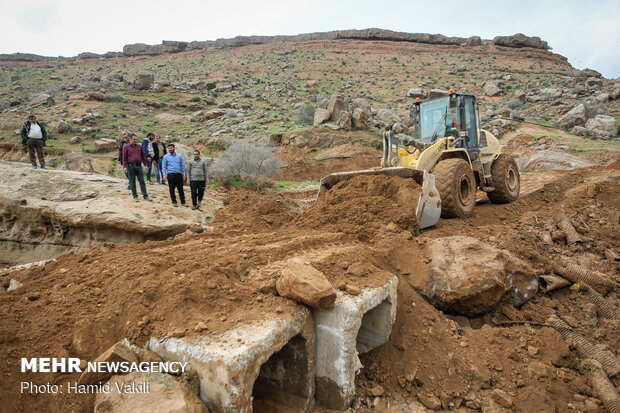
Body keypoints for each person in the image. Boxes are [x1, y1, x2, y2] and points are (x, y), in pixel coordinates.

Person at [122, 133, 151, 202]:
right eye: (134, 139)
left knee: (142, 181)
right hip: (130, 166)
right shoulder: (126, 147)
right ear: (130, 139)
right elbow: (124, 157)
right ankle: (135, 196)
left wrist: (145, 165)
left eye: (136, 139)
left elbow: (143, 156)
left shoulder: (139, 146)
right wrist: (124, 166)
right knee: (132, 182)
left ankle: (145, 195)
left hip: (138, 166)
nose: (135, 140)